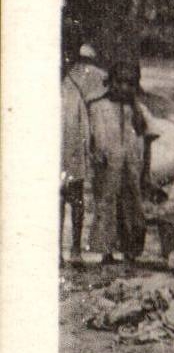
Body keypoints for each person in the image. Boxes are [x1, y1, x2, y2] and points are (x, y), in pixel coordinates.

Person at [85, 58, 154, 264]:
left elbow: (148, 141)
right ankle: (106, 251)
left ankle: (130, 251)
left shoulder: (138, 111)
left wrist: (146, 170)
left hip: (131, 166)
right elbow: (88, 136)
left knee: (131, 206)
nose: (124, 87)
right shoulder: (97, 107)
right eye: (120, 82)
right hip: (106, 167)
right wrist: (93, 155)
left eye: (130, 84)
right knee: (107, 206)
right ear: (110, 81)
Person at [60, 43, 107, 263]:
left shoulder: (74, 86)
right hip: (56, 155)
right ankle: (58, 250)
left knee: (76, 201)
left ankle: (76, 249)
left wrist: (88, 151)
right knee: (58, 203)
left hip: (71, 153)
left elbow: (84, 124)